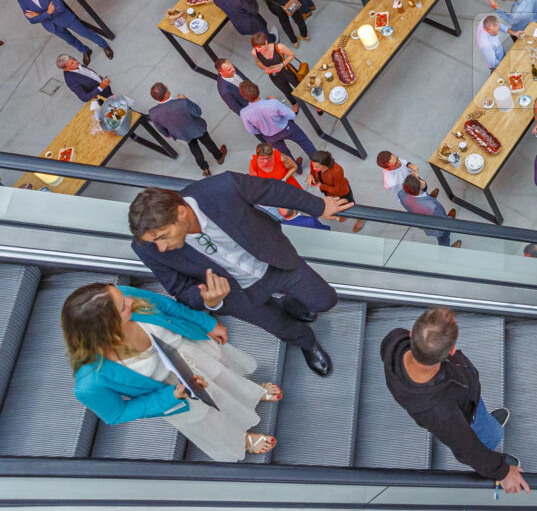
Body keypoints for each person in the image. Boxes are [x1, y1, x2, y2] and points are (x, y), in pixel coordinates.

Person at [128, 176, 348, 376]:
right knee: (280, 327)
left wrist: (318, 206)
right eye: (154, 241)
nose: (162, 248)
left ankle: (289, 302)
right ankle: (307, 343)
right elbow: (179, 289)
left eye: (163, 236)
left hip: (275, 262)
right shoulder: (147, 250)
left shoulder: (224, 188)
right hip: (237, 295)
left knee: (325, 300)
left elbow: (273, 190)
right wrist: (208, 300)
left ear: (181, 211)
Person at [63, 282, 279, 460]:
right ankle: (242, 439)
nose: (129, 300)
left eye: (122, 297)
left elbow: (167, 306)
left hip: (192, 353)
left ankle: (250, 392)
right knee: (210, 418)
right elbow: (117, 413)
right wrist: (171, 396)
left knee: (224, 376)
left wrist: (207, 323)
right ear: (106, 327)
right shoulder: (90, 382)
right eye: (122, 307)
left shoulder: (125, 296)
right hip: (174, 390)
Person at [382, 308, 528, 493]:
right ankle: (490, 438)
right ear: (451, 351)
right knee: (487, 434)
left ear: (412, 334)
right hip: (467, 414)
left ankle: (486, 422)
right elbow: (467, 449)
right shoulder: (440, 412)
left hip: (465, 400)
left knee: (482, 420)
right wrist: (503, 472)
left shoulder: (395, 340)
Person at [13, 0, 113, 63]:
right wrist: (48, 12)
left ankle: (104, 45)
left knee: (85, 33)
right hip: (52, 26)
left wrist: (39, 15)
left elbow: (60, 8)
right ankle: (85, 51)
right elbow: (32, 20)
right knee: (70, 40)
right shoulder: (21, 0)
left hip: (65, 18)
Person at [147, 83, 227, 176]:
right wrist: (185, 99)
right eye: (166, 87)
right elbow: (198, 112)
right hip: (196, 127)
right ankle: (219, 157)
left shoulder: (153, 113)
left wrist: (168, 134)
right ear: (167, 93)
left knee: (194, 148)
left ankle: (205, 169)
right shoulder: (182, 102)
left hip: (182, 133)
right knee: (208, 142)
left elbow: (160, 129)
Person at [248, 144, 330, 231]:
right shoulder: (254, 165)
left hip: (290, 187)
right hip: (277, 195)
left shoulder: (281, 158)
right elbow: (255, 182)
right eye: (262, 159)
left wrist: (284, 179)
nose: (265, 161)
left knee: (304, 202)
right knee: (290, 211)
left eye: (268, 158)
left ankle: (313, 217)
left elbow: (294, 167)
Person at [238, 81, 316, 164]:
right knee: (304, 142)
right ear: (257, 89)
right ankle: (319, 162)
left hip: (270, 137)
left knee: (286, 155)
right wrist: (277, 102)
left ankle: (298, 169)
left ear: (244, 97)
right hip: (287, 128)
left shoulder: (244, 113)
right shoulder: (273, 103)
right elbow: (291, 115)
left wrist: (263, 129)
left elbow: (251, 130)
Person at [307, 150, 362, 233]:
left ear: (325, 165)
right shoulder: (315, 162)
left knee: (351, 205)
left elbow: (337, 190)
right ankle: (342, 213)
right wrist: (310, 176)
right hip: (328, 191)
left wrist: (321, 186)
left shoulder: (337, 170)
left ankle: (361, 217)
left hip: (342, 192)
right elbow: (312, 172)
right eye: (313, 165)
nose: (314, 168)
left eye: (317, 167)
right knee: (336, 204)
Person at [398, 174, 460, 246]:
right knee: (443, 236)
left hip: (421, 212)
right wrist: (449, 219)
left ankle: (429, 197)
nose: (419, 177)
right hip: (437, 224)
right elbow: (442, 221)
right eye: (419, 178)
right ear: (421, 185)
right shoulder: (433, 207)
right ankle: (445, 248)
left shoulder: (401, 193)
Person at [249, 31, 301, 109]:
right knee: (286, 91)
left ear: (266, 42)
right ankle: (294, 103)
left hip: (287, 71)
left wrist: (281, 65)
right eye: (255, 47)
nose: (258, 50)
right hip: (275, 76)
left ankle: (311, 97)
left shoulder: (279, 47)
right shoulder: (254, 52)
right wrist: (265, 68)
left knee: (299, 85)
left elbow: (291, 55)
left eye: (259, 47)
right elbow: (258, 62)